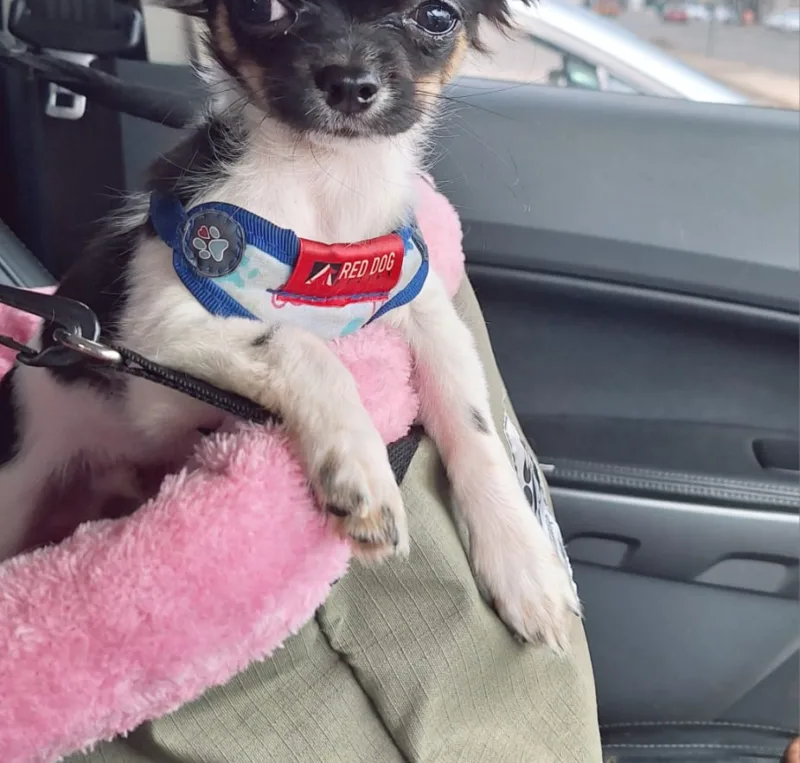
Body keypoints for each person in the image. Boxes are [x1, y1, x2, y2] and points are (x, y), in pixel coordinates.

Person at [68, 277, 601, 763]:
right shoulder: (210, 228)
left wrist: (494, 503)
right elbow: (156, 378)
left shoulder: (400, 239)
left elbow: (423, 309)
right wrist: (306, 381)